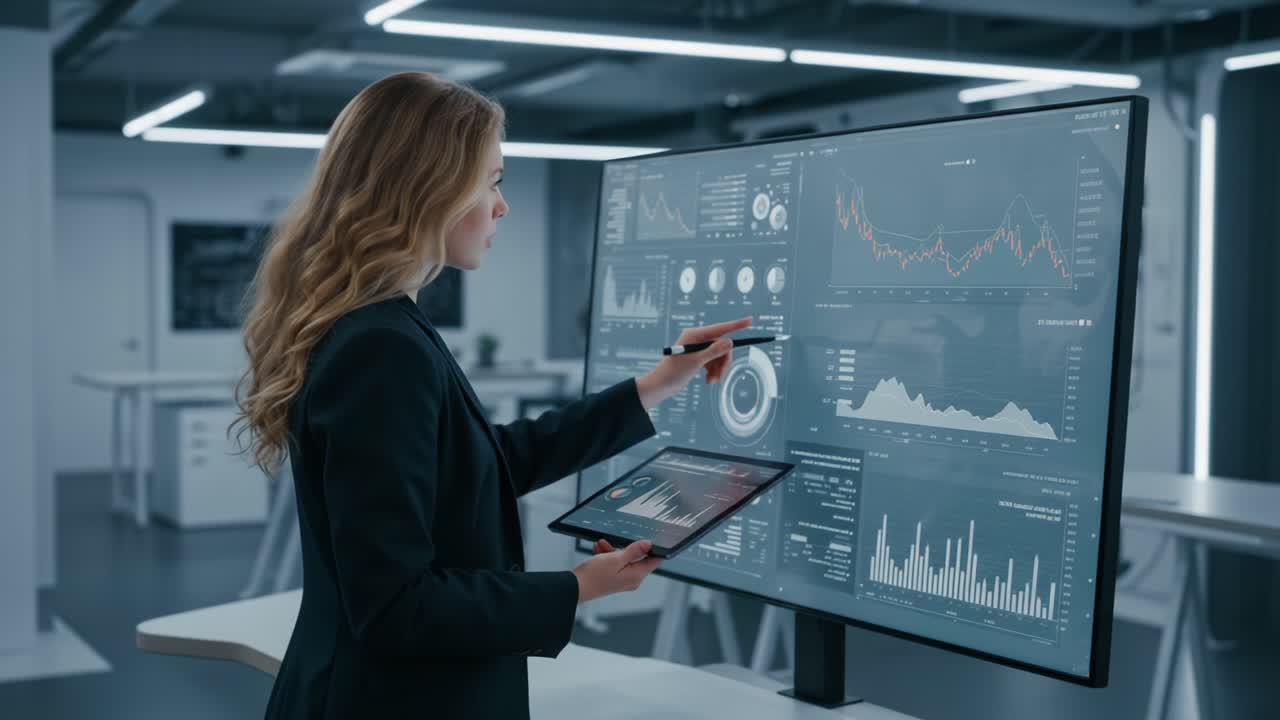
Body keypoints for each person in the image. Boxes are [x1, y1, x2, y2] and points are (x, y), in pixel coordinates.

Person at [231, 71, 751, 719]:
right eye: (493, 182)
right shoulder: (381, 347)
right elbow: (397, 607)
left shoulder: (385, 326)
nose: (502, 206)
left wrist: (655, 386)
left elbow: (479, 465)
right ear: (427, 189)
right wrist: (576, 589)